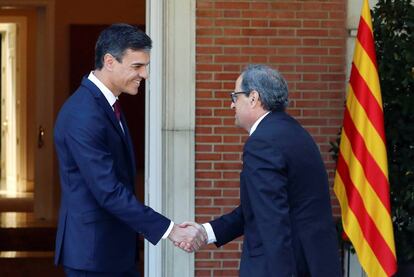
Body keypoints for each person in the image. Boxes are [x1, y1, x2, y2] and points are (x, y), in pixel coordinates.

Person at [54, 23, 205, 276]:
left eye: (145, 66)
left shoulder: (106, 105)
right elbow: (108, 191)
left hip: (112, 250)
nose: (145, 74)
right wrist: (170, 230)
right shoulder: (83, 113)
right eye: (137, 66)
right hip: (93, 255)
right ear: (109, 61)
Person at [181, 64, 341, 276]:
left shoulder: (263, 142)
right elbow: (259, 208)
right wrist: (206, 232)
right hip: (313, 262)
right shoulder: (294, 132)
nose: (231, 105)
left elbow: (272, 221)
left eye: (235, 96)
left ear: (253, 98)